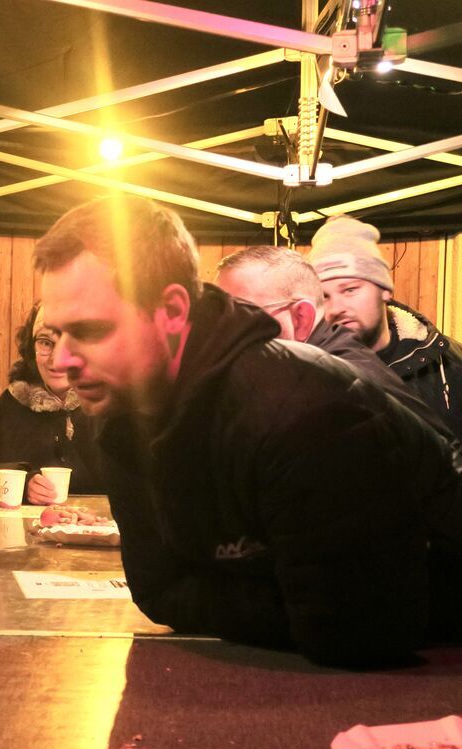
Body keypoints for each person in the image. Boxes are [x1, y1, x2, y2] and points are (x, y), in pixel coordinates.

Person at [36, 194, 461, 667]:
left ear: (173, 311)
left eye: (90, 330)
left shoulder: (301, 410)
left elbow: (356, 632)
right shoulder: (124, 407)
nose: (63, 360)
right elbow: (159, 592)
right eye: (56, 334)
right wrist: (281, 594)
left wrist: (229, 588)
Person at [215, 246, 453, 441]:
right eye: (216, 316)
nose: (224, 332)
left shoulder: (337, 389)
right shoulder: (312, 371)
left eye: (240, 316)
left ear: (301, 317)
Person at [310, 214, 462, 441]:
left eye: (350, 289)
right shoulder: (307, 371)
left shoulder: (448, 363)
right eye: (325, 296)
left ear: (385, 290)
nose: (336, 308)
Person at [0, 303, 102, 504]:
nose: (56, 360)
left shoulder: (106, 404)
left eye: (69, 345)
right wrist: (21, 483)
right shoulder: (16, 400)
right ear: (31, 349)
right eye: (45, 343)